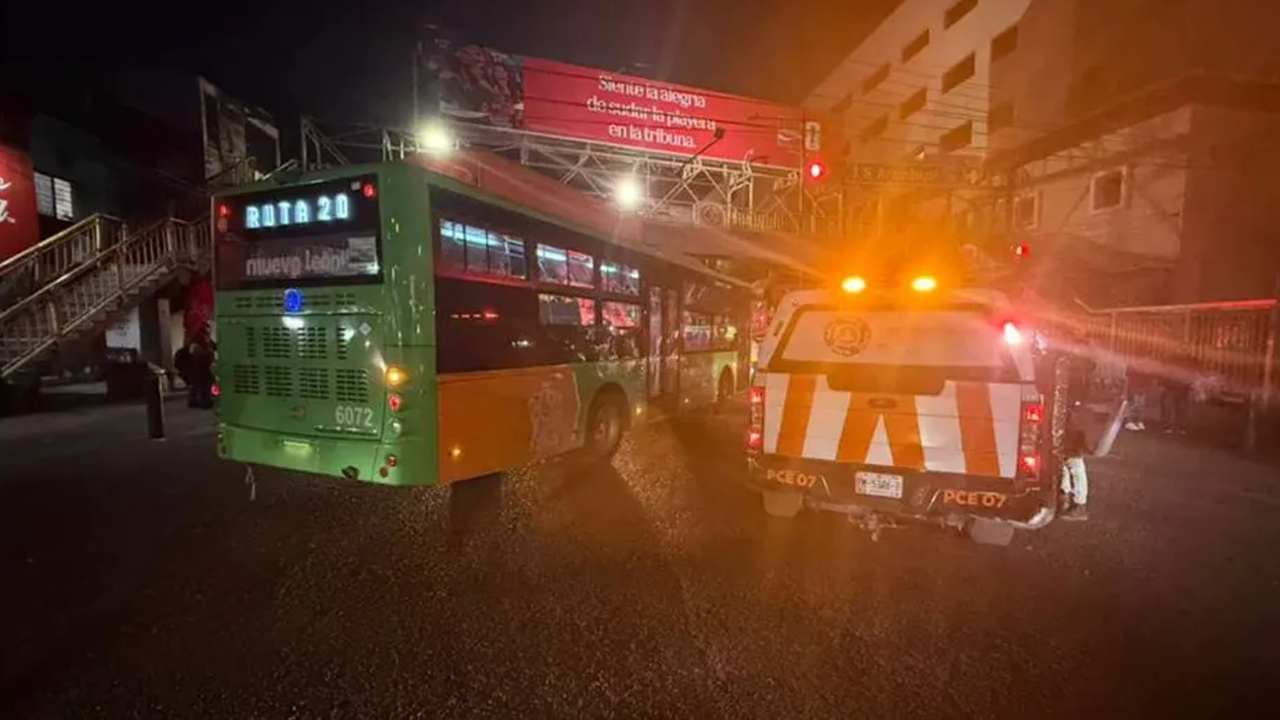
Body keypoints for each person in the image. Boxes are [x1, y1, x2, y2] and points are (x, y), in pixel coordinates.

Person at [1159, 353, 1194, 434]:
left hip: (1178, 387)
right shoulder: (1188, 360)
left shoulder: (1171, 359)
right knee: (1173, 407)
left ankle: (1174, 426)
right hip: (1175, 387)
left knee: (1177, 408)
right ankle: (1176, 426)